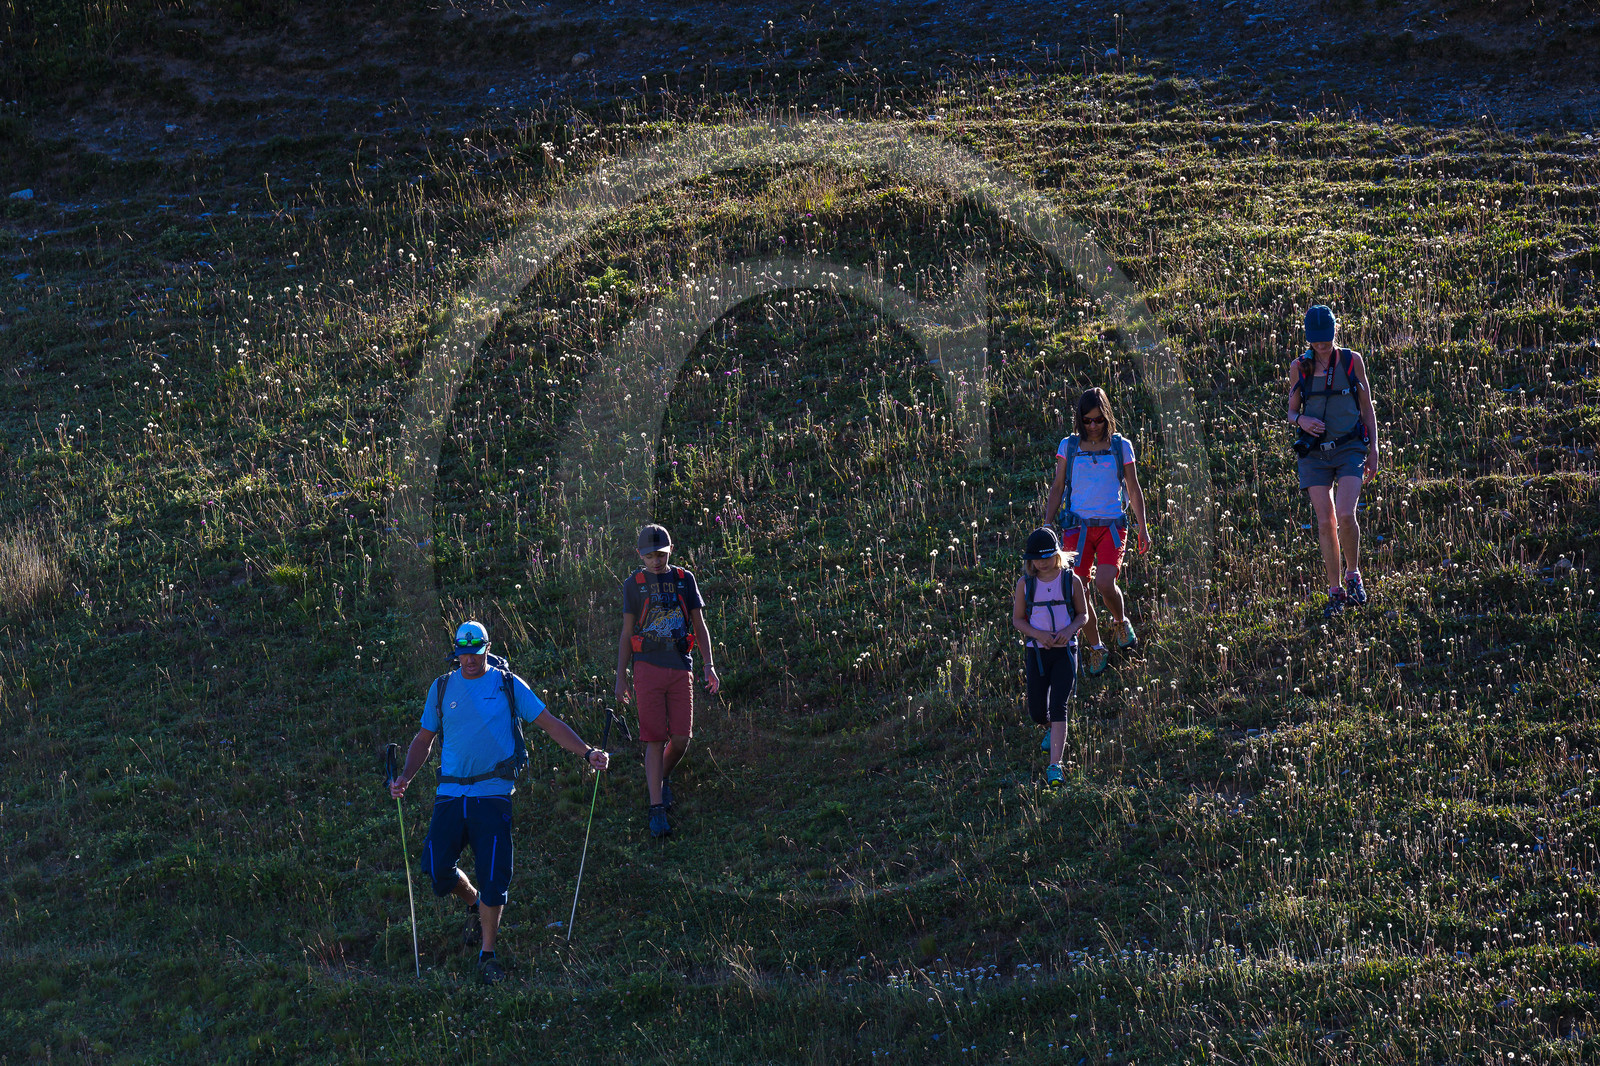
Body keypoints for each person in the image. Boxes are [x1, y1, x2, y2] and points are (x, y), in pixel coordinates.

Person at [388, 620, 610, 984]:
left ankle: (487, 954)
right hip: (450, 794)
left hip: (493, 795)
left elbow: (549, 723)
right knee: (435, 867)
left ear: (487, 650)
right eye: (464, 654)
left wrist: (588, 753)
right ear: (456, 653)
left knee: (494, 875)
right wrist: (405, 778)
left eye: (476, 654)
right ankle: (474, 904)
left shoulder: (508, 684)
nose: (470, 660)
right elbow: (424, 738)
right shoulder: (442, 687)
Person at [615, 524, 719, 839]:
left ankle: (661, 778)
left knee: (682, 739)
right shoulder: (633, 585)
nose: (656, 561)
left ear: (671, 550)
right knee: (654, 738)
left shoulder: (685, 580)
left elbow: (699, 625)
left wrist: (709, 665)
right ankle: (656, 808)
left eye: (661, 554)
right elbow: (626, 633)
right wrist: (621, 677)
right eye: (650, 556)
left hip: (680, 665)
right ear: (640, 555)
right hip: (647, 667)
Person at [1043, 387, 1151, 677]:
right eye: (1087, 420)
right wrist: (1047, 524)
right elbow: (1057, 487)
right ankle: (1096, 647)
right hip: (1076, 529)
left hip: (1111, 527)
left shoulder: (1121, 446)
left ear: (1107, 417)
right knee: (1079, 591)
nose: (1093, 426)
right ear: (1079, 419)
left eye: (1099, 420)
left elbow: (1133, 488)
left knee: (1104, 582)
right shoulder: (1068, 446)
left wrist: (1142, 527)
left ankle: (1120, 621)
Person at [1287, 304, 1380, 619]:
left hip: (1350, 448)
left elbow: (1367, 408)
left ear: (1335, 333)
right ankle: (1335, 590)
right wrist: (1301, 420)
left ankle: (1354, 575)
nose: (1322, 347)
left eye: (1326, 341)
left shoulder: (1352, 361)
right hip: (1314, 454)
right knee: (1326, 522)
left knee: (1345, 513)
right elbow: (1291, 411)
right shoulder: (1299, 367)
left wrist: (1374, 449)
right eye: (1316, 342)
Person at [1011, 527, 1089, 787]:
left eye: (1047, 556)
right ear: (1030, 560)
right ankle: (1051, 729)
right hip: (1037, 653)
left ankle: (1055, 765)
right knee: (1037, 712)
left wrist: (1068, 631)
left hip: (1065, 652)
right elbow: (1018, 620)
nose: (1042, 562)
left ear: (1058, 554)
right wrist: (1039, 635)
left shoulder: (1071, 580)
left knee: (1058, 705)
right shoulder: (1025, 584)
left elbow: (1083, 614)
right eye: (1036, 558)